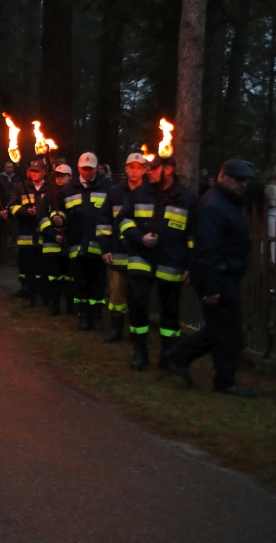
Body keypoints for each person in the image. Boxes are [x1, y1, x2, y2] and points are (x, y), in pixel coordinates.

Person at [162, 159, 258, 397]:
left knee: (219, 329)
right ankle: (224, 380)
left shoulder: (226, 201)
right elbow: (206, 251)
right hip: (219, 276)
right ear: (222, 177)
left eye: (245, 180)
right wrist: (211, 288)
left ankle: (178, 357)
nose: (242, 184)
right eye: (238, 179)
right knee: (228, 331)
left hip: (224, 274)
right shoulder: (214, 206)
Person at [116, 154, 197, 371]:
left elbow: (194, 234)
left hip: (172, 261)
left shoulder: (187, 198)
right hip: (141, 257)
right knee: (138, 303)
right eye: (147, 168)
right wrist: (139, 237)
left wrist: (190, 265)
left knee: (170, 309)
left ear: (168, 169)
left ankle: (169, 355)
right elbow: (123, 220)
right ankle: (139, 350)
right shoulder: (138, 194)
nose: (147, 172)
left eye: (152, 168)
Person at [50, 152, 109, 331]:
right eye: (83, 168)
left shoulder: (107, 187)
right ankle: (83, 315)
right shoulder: (68, 190)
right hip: (76, 245)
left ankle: (96, 316)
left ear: (96, 169)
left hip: (99, 245)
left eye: (90, 169)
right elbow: (57, 210)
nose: (86, 172)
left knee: (98, 283)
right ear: (78, 168)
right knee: (80, 282)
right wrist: (58, 218)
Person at [101, 153, 148, 343]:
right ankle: (116, 329)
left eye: (139, 167)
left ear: (144, 170)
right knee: (117, 293)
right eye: (131, 167)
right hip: (118, 252)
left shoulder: (150, 193)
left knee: (139, 296)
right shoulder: (114, 192)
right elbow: (104, 222)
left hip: (142, 253)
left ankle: (138, 332)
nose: (134, 171)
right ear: (125, 169)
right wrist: (105, 249)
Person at [8, 159, 49, 306]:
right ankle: (29, 295)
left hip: (45, 236)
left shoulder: (50, 188)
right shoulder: (21, 187)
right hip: (26, 235)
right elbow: (12, 207)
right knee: (28, 268)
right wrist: (26, 211)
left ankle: (45, 296)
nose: (34, 173)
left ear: (44, 172)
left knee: (44, 268)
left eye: (37, 171)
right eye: (32, 170)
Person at [37, 163, 75, 315]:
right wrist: (53, 234)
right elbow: (41, 217)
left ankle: (71, 305)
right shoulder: (48, 196)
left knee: (70, 276)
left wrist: (66, 228)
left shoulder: (75, 195)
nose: (59, 178)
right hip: (52, 244)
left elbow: (78, 216)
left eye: (63, 175)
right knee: (53, 277)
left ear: (70, 177)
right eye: (57, 176)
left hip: (70, 243)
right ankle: (54, 305)